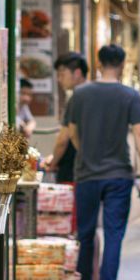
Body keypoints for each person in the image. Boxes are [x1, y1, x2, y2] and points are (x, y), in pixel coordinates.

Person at [65, 45, 140, 280]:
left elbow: (71, 132)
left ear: (98, 61)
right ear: (123, 63)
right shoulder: (129, 95)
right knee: (114, 234)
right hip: (118, 174)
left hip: (86, 173)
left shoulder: (80, 94)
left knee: (85, 232)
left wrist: (86, 152)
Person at [44, 52, 89, 184]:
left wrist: (53, 162)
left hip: (72, 167)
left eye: (62, 74)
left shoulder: (75, 98)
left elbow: (63, 139)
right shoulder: (97, 95)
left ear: (77, 73)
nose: (59, 79)